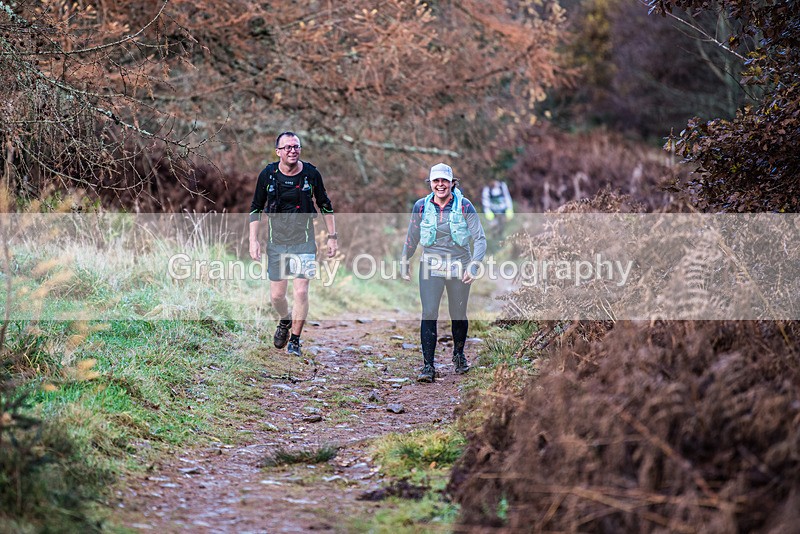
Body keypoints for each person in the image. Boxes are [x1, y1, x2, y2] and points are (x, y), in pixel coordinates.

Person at [249, 131, 337, 357]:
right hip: (276, 242)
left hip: (304, 242)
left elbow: (325, 205)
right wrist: (253, 240)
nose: (292, 150)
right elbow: (256, 208)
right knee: (277, 297)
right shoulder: (268, 175)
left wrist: (332, 237)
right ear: (278, 151)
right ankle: (285, 320)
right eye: (287, 147)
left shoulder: (311, 174)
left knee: (300, 291)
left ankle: (295, 341)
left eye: (296, 146)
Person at [401, 163, 487, 383]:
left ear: (452, 183)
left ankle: (458, 355)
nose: (440, 185)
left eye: (444, 181)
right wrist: (405, 260)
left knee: (458, 313)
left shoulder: (465, 205)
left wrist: (475, 264)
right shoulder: (421, 206)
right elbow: (412, 237)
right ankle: (428, 366)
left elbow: (479, 238)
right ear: (430, 183)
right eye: (436, 181)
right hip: (431, 266)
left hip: (460, 265)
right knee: (429, 312)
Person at [481, 179, 514, 247]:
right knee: (493, 227)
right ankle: (494, 243)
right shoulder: (487, 189)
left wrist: (509, 209)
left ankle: (501, 242)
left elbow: (507, 197)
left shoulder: (502, 186)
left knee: (501, 227)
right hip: (493, 213)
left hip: (502, 211)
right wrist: (488, 212)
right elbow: (485, 201)